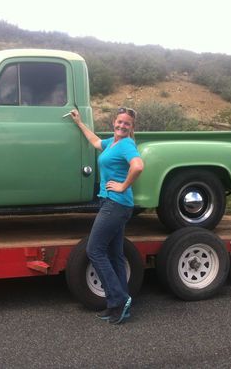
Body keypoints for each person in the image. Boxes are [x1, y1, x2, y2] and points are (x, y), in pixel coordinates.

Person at [69, 107, 144, 324]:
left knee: (94, 249)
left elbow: (138, 166)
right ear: (114, 122)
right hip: (113, 204)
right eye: (119, 122)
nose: (122, 126)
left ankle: (119, 298)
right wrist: (80, 123)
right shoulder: (112, 142)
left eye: (126, 124)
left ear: (131, 127)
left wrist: (123, 186)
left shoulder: (127, 144)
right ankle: (120, 306)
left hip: (115, 204)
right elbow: (94, 142)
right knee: (115, 255)